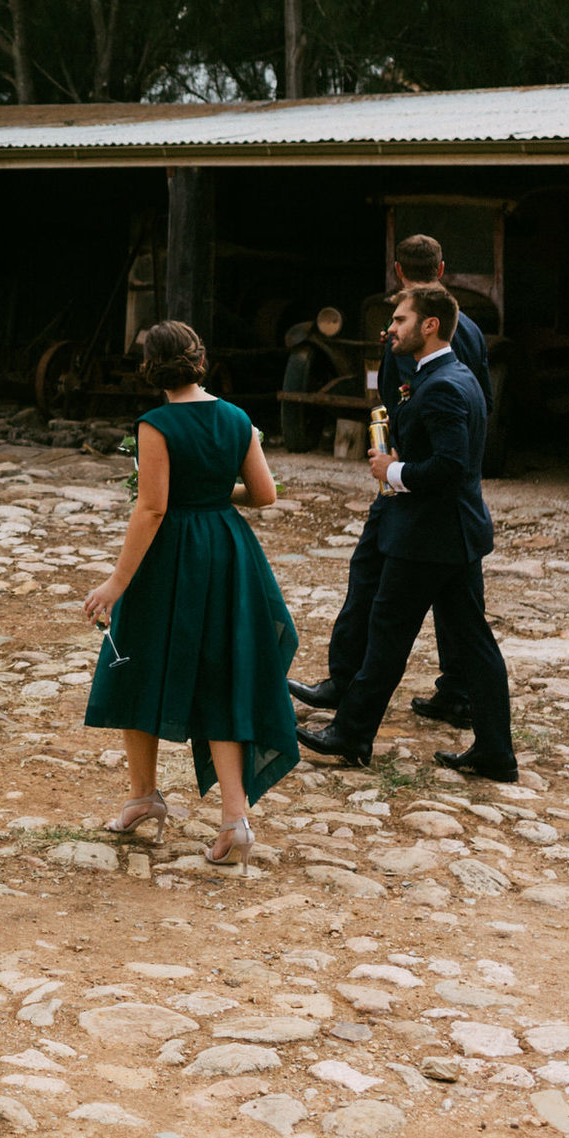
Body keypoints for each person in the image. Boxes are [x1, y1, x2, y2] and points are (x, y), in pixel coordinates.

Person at [81, 321, 299, 864]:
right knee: (223, 674)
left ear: (150, 368)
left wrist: (115, 582)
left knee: (135, 662)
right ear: (200, 361)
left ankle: (143, 796)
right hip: (228, 552)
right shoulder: (237, 418)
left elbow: (152, 507)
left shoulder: (155, 425)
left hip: (172, 557)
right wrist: (208, 488)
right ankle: (234, 821)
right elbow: (264, 494)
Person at [296, 283, 516, 783]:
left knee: (387, 634)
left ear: (430, 325)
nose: (390, 328)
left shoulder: (440, 386)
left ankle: (351, 734)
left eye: (399, 320)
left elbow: (452, 467)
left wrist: (391, 472)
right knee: (474, 643)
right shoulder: (451, 376)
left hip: (428, 538)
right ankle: (496, 753)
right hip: (454, 536)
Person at [288, 233, 490, 729]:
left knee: (372, 583)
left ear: (398, 270)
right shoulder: (475, 331)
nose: (394, 327)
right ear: (441, 269)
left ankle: (346, 685)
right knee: (458, 599)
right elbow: (480, 401)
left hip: (409, 482)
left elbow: (395, 402)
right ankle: (459, 691)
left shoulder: (407, 331)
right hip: (456, 488)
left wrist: (392, 467)